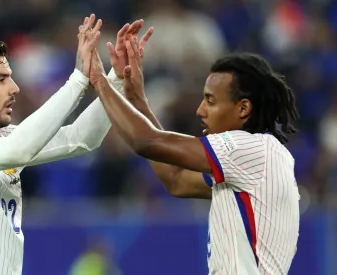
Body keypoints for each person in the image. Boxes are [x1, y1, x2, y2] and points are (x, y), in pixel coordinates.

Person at [0, 14, 152, 274]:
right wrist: (79, 80)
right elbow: (17, 151)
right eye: (1, 79)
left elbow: (81, 138)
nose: (14, 88)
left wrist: (114, 76)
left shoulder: (2, 139)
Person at [89, 33, 300, 274]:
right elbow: (176, 180)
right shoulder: (255, 161)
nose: (200, 110)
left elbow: (146, 141)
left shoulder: (251, 150)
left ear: (243, 108)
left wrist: (98, 79)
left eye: (211, 101)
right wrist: (137, 99)